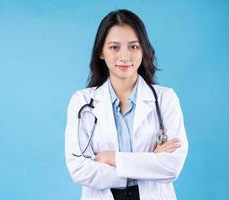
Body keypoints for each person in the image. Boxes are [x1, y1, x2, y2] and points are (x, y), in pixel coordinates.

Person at [65, 9, 188, 200]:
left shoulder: (166, 98)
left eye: (133, 47)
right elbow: (79, 169)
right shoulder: (82, 102)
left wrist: (112, 158)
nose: (125, 56)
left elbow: (172, 167)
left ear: (143, 50)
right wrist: (149, 164)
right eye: (114, 47)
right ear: (101, 52)